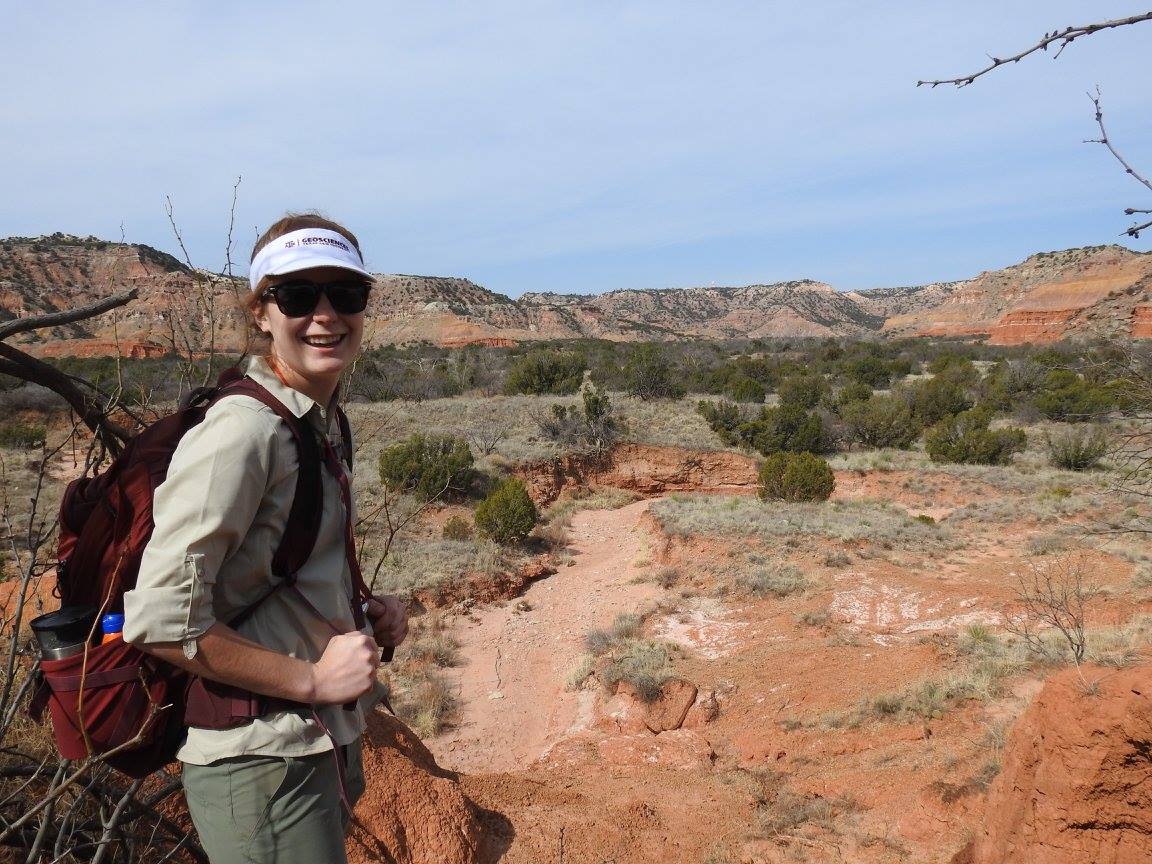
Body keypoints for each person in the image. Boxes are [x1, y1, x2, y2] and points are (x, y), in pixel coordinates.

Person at [123, 213, 407, 864]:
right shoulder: (243, 432)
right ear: (262, 312)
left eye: (346, 294)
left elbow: (271, 575)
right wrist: (311, 680)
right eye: (300, 295)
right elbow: (162, 619)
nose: (326, 314)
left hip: (313, 745)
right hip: (262, 762)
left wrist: (366, 613)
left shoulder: (316, 423)